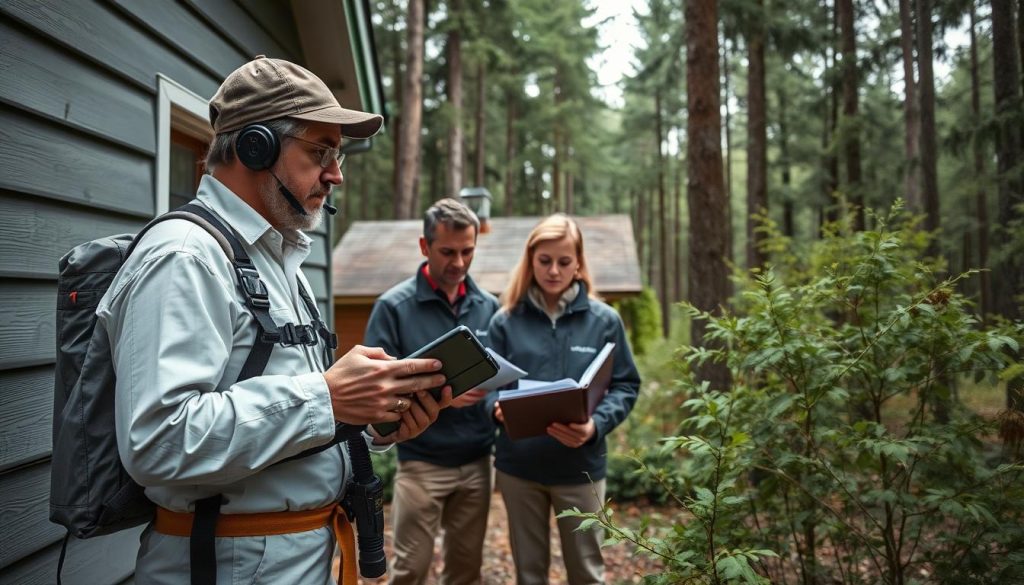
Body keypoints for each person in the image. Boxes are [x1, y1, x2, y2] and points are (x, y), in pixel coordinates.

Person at [97, 56, 451, 584]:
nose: (336, 174)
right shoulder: (186, 257)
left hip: (293, 558)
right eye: (319, 152)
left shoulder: (277, 261)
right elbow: (159, 440)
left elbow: (289, 416)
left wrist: (372, 419)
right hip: (226, 565)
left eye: (338, 154)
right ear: (254, 146)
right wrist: (327, 397)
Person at [485, 214, 641, 585]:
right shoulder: (504, 321)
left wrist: (596, 426)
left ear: (578, 264)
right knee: (529, 573)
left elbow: (626, 385)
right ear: (530, 261)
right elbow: (484, 386)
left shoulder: (604, 320)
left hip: (580, 469)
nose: (554, 270)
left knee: (587, 573)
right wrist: (494, 407)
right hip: (519, 470)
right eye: (544, 261)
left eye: (564, 261)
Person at [363, 198, 500, 585]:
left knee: (466, 571)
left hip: (477, 462)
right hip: (421, 462)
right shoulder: (393, 307)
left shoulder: (489, 306)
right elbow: (377, 388)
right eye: (447, 252)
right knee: (411, 571)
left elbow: (500, 380)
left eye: (467, 251)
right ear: (424, 247)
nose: (459, 262)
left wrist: (496, 403)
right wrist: (444, 396)